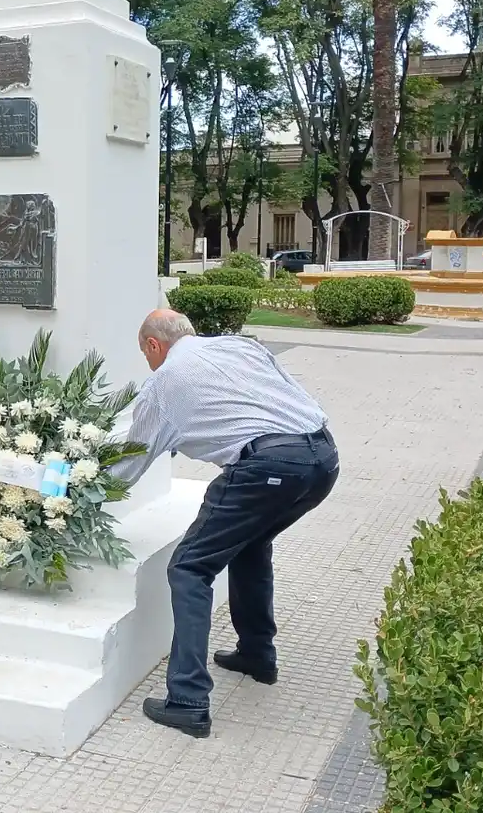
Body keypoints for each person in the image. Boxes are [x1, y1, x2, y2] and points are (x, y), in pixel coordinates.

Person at [108, 309, 338, 738]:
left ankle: (188, 701)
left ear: (154, 345)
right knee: (249, 544)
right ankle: (257, 655)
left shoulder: (163, 382)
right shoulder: (240, 345)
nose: (148, 362)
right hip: (323, 456)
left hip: (267, 465)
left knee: (190, 568)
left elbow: (130, 464)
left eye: (146, 354)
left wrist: (74, 487)